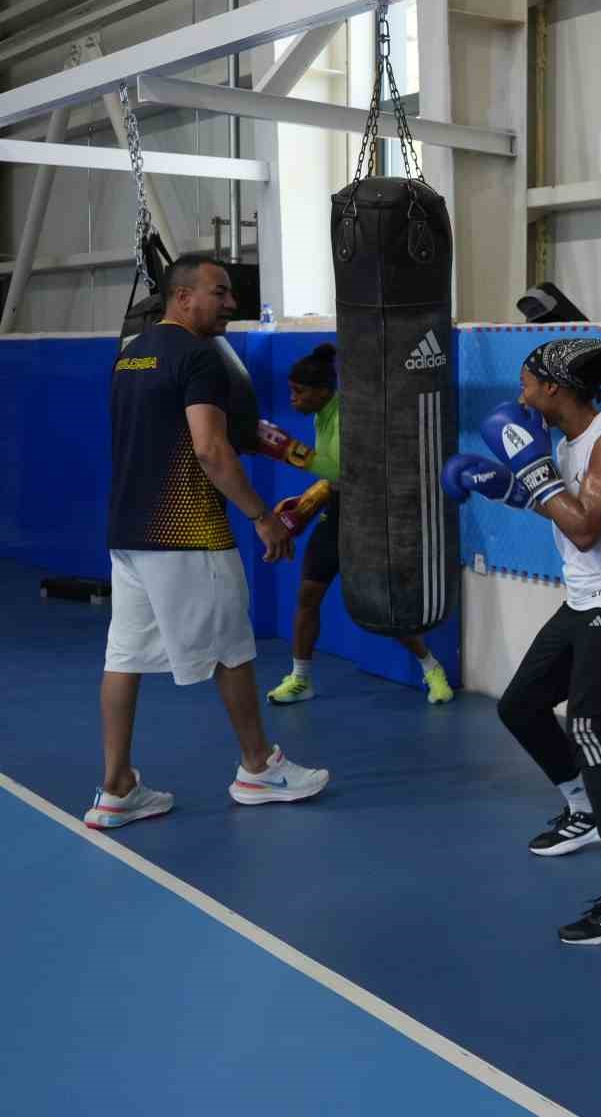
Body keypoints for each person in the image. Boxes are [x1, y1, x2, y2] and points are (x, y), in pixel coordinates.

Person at [441, 337, 601, 946]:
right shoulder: (570, 445)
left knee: (593, 726)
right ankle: (584, 808)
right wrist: (509, 487)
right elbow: (563, 505)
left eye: (526, 385)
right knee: (520, 706)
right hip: (585, 598)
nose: (520, 397)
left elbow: (589, 529)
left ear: (554, 388)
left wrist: (531, 477)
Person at [90, 254, 329, 830]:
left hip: (129, 535)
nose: (230, 303)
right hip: (188, 532)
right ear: (181, 297)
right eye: (218, 292)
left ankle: (117, 787)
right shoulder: (198, 357)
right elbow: (209, 448)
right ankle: (257, 769)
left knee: (123, 658)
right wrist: (261, 517)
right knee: (232, 649)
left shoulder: (131, 355)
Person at [257, 342, 455, 706]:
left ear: (322, 390)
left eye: (299, 392)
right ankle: (300, 679)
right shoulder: (322, 415)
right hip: (339, 508)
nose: (293, 399)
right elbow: (334, 475)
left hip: (370, 513)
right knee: (308, 595)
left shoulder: (349, 414)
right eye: (291, 391)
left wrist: (287, 450)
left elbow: (341, 469)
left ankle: (431, 668)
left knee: (383, 604)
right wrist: (308, 503)